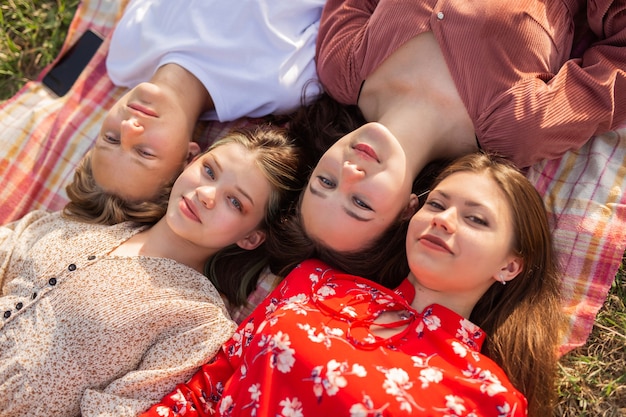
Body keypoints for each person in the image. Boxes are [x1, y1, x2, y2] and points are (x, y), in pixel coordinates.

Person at [138, 152, 565, 417]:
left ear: (510, 265)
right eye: (437, 203)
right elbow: (204, 389)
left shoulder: (489, 397)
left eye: (475, 219)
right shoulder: (315, 282)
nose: (443, 219)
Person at [0, 126, 302, 417]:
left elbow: (119, 410)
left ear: (250, 237)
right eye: (209, 171)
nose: (207, 194)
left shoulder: (198, 322)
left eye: (234, 202)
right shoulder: (96, 217)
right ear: (192, 162)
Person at [302, 0, 626, 254]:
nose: (350, 173)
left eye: (326, 181)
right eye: (360, 202)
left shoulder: (340, 68)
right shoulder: (515, 128)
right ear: (407, 211)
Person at [70, 0, 324, 222]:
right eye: (144, 152)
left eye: (111, 139)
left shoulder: (124, 57)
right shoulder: (279, 86)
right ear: (190, 157)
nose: (128, 127)